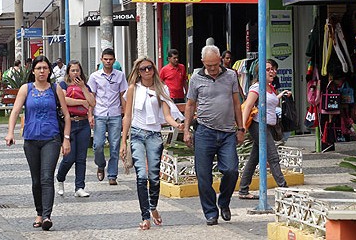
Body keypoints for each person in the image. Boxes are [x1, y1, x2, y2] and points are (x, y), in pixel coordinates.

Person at [5, 56, 71, 231]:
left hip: (52, 138)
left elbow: (66, 114)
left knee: (47, 177)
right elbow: (15, 111)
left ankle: (48, 216)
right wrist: (10, 132)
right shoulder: (26, 89)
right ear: (33, 71)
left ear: (49, 71)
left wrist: (66, 139)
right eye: (38, 68)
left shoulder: (56, 89)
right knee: (36, 181)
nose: (42, 71)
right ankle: (39, 213)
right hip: (31, 139)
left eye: (45, 68)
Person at [183, 45, 244, 226]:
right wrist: (186, 130)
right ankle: (211, 212)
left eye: (215, 65)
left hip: (227, 133)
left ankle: (224, 202)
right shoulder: (196, 78)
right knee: (203, 176)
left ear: (220, 61)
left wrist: (240, 128)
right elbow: (190, 105)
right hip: (204, 131)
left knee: (231, 170)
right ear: (203, 63)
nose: (212, 69)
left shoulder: (231, 76)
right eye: (208, 65)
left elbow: (236, 103)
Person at [121, 57, 184, 230]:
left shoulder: (161, 88)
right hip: (137, 134)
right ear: (138, 71)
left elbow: (167, 114)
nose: (147, 71)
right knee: (141, 176)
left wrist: (178, 124)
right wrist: (123, 142)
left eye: (149, 68)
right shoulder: (133, 88)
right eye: (143, 69)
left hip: (155, 135)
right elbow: (127, 116)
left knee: (154, 177)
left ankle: (153, 207)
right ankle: (145, 216)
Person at [237, 59, 288, 200]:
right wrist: (241, 127)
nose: (272, 71)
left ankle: (243, 189)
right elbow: (247, 106)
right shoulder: (256, 88)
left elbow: (270, 102)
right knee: (273, 156)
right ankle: (283, 188)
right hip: (258, 125)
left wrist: (281, 95)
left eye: (273, 69)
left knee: (254, 159)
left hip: (268, 126)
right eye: (268, 69)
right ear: (260, 73)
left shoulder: (270, 88)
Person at [87, 48, 128, 185]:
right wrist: (90, 115)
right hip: (99, 113)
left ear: (114, 60)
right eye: (106, 59)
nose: (108, 61)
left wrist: (126, 115)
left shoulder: (120, 76)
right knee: (98, 145)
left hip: (115, 114)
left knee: (115, 145)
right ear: (101, 59)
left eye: (110, 59)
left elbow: (123, 96)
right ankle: (100, 164)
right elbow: (91, 97)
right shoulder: (95, 76)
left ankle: (112, 175)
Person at [56, 60, 95, 198]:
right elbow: (64, 100)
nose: (75, 73)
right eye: (72, 70)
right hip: (69, 123)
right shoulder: (63, 84)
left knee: (81, 157)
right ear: (68, 72)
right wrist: (81, 102)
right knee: (69, 157)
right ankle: (60, 178)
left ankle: (79, 186)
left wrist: (83, 88)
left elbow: (92, 102)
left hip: (83, 123)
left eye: (77, 70)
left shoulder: (86, 86)